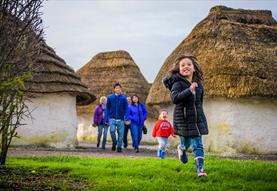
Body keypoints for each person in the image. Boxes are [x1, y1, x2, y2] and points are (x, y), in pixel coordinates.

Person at [163, 54, 209, 177]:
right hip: (183, 120)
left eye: (189, 64)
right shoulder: (177, 83)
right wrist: (189, 90)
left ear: (194, 68)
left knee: (198, 144)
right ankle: (181, 149)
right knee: (186, 144)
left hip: (196, 119)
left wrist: (200, 115)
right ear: (179, 69)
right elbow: (175, 98)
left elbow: (199, 102)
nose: (186, 67)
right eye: (183, 65)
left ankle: (200, 170)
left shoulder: (199, 84)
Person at [104, 82, 129, 152]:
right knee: (112, 131)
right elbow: (107, 108)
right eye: (117, 88)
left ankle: (119, 147)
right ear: (114, 89)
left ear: (121, 89)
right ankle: (114, 142)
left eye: (119, 88)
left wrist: (126, 118)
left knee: (121, 134)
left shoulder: (123, 98)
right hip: (112, 118)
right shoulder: (110, 97)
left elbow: (127, 108)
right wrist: (106, 118)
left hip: (121, 119)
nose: (118, 89)